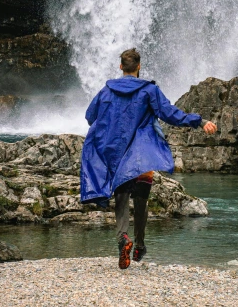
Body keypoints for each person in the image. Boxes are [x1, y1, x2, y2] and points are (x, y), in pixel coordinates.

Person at [80, 48, 218, 269]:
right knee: (142, 199)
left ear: (120, 67)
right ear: (139, 67)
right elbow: (170, 113)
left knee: (122, 195)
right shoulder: (149, 90)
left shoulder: (106, 91)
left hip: (118, 154)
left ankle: (122, 238)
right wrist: (199, 122)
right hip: (143, 154)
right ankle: (140, 245)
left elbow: (90, 117)